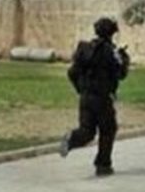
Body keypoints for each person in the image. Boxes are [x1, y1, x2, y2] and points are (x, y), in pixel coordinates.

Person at [60, 18, 130, 176]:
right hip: (102, 98)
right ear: (111, 34)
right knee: (108, 129)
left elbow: (71, 73)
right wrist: (124, 59)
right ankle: (103, 165)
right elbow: (121, 74)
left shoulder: (84, 49)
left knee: (87, 131)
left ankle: (71, 139)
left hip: (86, 97)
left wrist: (81, 89)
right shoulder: (110, 52)